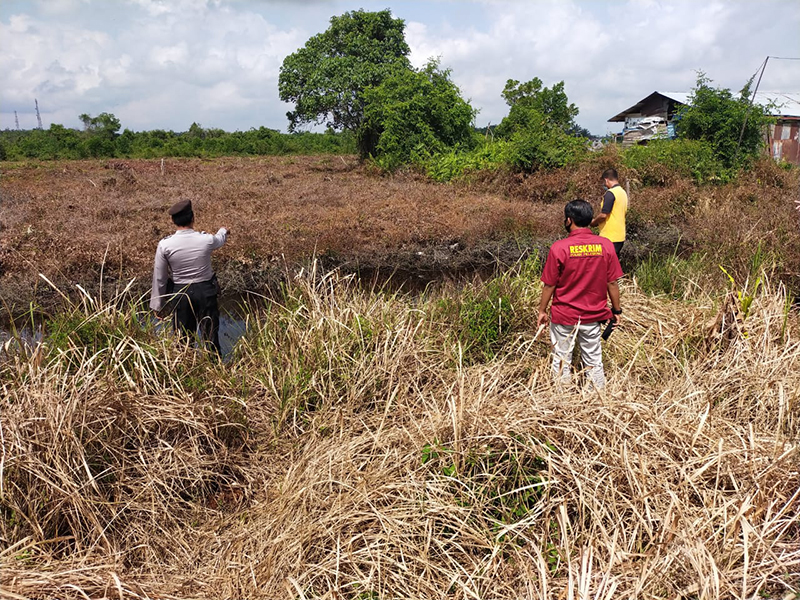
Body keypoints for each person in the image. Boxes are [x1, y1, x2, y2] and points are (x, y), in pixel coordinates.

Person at [537, 199, 623, 389]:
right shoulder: (605, 245)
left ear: (569, 220)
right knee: (593, 360)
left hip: (564, 315)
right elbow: (612, 282)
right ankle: (597, 400)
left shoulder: (559, 248)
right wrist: (617, 311)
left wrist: (542, 310)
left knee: (561, 360)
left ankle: (562, 400)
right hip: (593, 315)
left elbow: (549, 285)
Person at [150, 199, 229, 355]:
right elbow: (220, 240)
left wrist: (157, 305)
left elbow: (160, 277)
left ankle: (185, 370)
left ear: (172, 221)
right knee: (211, 337)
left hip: (181, 295)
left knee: (183, 340)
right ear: (193, 218)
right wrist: (223, 230)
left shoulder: (165, 245)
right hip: (206, 292)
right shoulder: (206, 239)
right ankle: (215, 369)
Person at [591, 168, 628, 258]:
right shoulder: (623, 192)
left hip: (609, 236)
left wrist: (593, 222)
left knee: (605, 266)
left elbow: (604, 215)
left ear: (606, 179)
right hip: (620, 235)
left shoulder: (610, 193)